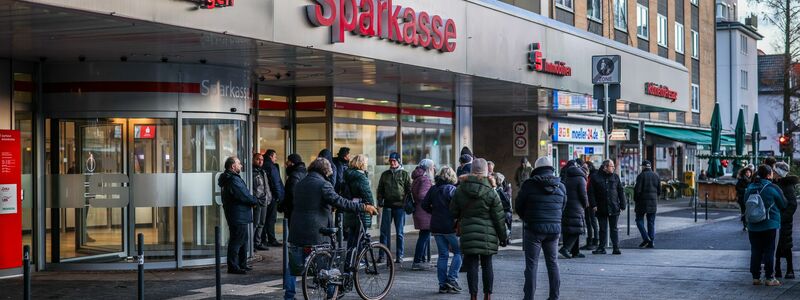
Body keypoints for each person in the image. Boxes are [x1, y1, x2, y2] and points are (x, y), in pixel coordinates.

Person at [284, 158, 378, 300]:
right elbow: (340, 201)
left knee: (293, 266)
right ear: (325, 171)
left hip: (296, 230)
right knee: (327, 264)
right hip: (317, 231)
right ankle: (331, 293)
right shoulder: (323, 184)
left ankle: (289, 296)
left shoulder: (300, 183)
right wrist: (364, 207)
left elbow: (310, 202)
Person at [451, 158, 508, 300]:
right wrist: (503, 237)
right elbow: (499, 217)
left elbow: (453, 212)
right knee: (487, 265)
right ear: (486, 171)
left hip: (468, 234)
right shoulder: (491, 192)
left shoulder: (461, 189)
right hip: (487, 236)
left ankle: (473, 296)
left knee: (471, 266)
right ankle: (487, 295)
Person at [516, 157, 566, 300]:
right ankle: (554, 297)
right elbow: (563, 206)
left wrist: (527, 217)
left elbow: (519, 205)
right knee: (553, 263)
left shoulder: (528, 185)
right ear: (551, 168)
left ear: (536, 169)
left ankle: (529, 297)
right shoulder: (561, 186)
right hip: (554, 230)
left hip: (533, 229)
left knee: (531, 265)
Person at [421, 166, 462, 294]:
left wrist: (433, 211)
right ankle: (452, 279)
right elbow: (458, 207)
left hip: (436, 226)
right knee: (458, 252)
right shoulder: (452, 189)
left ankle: (442, 284)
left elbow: (424, 205)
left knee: (443, 255)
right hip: (450, 226)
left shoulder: (433, 189)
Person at [745, 165, 786, 286]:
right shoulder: (772, 188)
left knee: (755, 250)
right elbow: (783, 203)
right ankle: (769, 277)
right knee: (769, 250)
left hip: (752, 224)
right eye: (771, 173)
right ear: (768, 175)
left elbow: (745, 202)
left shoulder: (750, 187)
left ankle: (756, 277)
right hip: (769, 224)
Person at [218, 156, 258, 274]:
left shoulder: (231, 178)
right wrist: (254, 200)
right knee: (237, 240)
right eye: (239, 163)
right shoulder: (233, 180)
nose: (241, 165)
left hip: (238, 213)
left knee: (243, 239)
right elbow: (243, 195)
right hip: (237, 214)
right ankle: (233, 266)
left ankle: (242, 264)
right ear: (233, 166)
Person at [376, 152, 412, 263]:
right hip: (387, 206)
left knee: (399, 233)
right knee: (384, 233)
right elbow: (380, 189)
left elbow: (409, 190)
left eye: (394, 161)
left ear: (399, 161)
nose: (392, 162)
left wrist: (405, 202)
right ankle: (382, 255)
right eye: (391, 161)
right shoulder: (385, 174)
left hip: (400, 207)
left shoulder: (405, 174)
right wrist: (380, 200)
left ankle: (399, 256)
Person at [589, 159, 626, 255]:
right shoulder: (595, 177)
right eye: (611, 166)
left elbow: (620, 191)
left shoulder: (615, 177)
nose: (613, 167)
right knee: (602, 228)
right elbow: (591, 193)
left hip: (614, 207)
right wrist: (593, 205)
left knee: (614, 228)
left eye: (613, 166)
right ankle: (601, 247)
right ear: (605, 167)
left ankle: (616, 247)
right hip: (601, 207)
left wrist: (623, 204)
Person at [343, 154, 374, 249]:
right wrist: (372, 206)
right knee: (360, 236)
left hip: (350, 207)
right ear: (361, 163)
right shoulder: (361, 177)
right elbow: (367, 194)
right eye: (366, 162)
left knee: (352, 235)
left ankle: (349, 259)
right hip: (361, 209)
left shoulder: (348, 174)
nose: (366, 164)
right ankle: (359, 261)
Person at [773, 162, 798, 279]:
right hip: (776, 219)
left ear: (779, 173)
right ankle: (777, 269)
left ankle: (790, 269)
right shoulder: (774, 183)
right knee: (776, 246)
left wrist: (782, 218)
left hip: (784, 221)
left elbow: (792, 204)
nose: (773, 173)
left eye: (774, 171)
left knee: (786, 245)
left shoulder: (787, 185)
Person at [559, 159, 587, 259]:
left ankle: (575, 251)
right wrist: (586, 205)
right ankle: (566, 248)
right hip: (577, 206)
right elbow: (583, 194)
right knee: (577, 229)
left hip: (567, 205)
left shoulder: (567, 177)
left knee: (569, 229)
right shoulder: (581, 178)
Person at [411, 159, 435, 270]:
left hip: (419, 211)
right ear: (428, 168)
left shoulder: (418, 177)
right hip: (424, 212)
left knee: (423, 236)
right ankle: (417, 261)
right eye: (432, 167)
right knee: (424, 237)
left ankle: (421, 259)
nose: (433, 169)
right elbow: (422, 195)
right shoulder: (425, 179)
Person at [634, 160, 660, 248]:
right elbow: (659, 191)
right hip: (653, 202)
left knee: (639, 220)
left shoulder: (641, 176)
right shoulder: (656, 176)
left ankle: (646, 238)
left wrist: (636, 200)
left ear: (644, 167)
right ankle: (651, 241)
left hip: (642, 202)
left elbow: (637, 190)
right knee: (651, 222)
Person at [263, 149, 285, 247]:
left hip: (263, 197)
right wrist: (278, 196)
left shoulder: (263, 165)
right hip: (271, 196)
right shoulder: (271, 167)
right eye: (275, 157)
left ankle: (263, 239)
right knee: (271, 219)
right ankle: (272, 239)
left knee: (263, 219)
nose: (275, 159)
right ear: (271, 156)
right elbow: (276, 182)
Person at [251, 153, 271, 251]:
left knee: (262, 223)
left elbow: (266, 186)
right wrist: (255, 199)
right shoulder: (251, 172)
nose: (260, 161)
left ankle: (257, 242)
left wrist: (269, 197)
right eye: (258, 159)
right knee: (255, 223)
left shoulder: (263, 172)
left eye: (262, 159)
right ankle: (250, 244)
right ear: (253, 160)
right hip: (257, 201)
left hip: (265, 200)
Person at [279, 154, 307, 223]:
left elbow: (291, 193)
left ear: (292, 163)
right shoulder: (304, 173)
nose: (286, 163)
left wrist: (283, 205)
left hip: (293, 208)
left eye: (288, 161)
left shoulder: (294, 175)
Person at [581, 161, 600, 250]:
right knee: (588, 222)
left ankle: (595, 241)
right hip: (587, 202)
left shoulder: (593, 176)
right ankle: (589, 241)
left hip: (592, 202)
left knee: (593, 222)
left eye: (586, 168)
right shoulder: (588, 176)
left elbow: (592, 190)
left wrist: (594, 203)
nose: (584, 170)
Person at [735, 165, 755, 231]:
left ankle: (749, 224)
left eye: (749, 172)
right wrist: (744, 190)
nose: (748, 174)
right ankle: (745, 225)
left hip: (750, 198)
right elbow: (737, 188)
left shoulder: (753, 180)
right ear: (744, 173)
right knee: (744, 211)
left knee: (750, 211)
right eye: (747, 172)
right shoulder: (741, 180)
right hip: (742, 198)